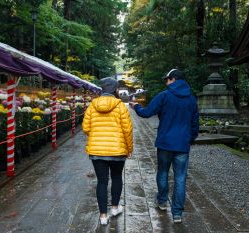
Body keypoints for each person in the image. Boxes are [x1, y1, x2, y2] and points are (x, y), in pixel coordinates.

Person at [129, 69, 199, 223]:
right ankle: (177, 213)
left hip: (165, 143)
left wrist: (136, 106)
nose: (166, 83)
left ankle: (162, 202)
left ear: (173, 79)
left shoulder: (164, 96)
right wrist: (190, 139)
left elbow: (147, 113)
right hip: (182, 144)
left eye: (167, 80)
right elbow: (195, 124)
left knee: (163, 172)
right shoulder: (191, 99)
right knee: (180, 178)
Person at [82, 77, 133, 225]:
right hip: (118, 151)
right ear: (115, 90)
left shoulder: (92, 105)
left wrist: (96, 137)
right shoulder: (121, 106)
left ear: (102, 90)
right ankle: (115, 208)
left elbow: (85, 128)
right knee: (116, 178)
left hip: (97, 151)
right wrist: (129, 149)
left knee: (102, 182)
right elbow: (127, 130)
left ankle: (103, 216)